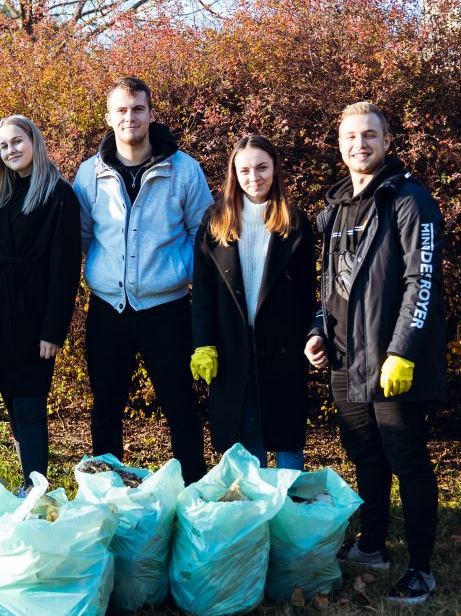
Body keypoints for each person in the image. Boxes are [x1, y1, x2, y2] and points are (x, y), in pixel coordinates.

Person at [304, 102, 446, 604]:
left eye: (369, 135)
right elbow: (329, 286)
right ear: (339, 144)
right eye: (349, 137)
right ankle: (372, 545)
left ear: (387, 141)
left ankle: (422, 568)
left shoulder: (410, 201)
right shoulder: (339, 207)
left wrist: (402, 350)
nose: (358, 144)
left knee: (407, 459)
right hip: (345, 359)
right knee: (365, 452)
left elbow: (421, 280)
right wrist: (318, 331)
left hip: (391, 361)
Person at [72, 76, 212, 484]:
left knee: (180, 406)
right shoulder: (89, 174)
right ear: (108, 117)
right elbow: (81, 237)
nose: (129, 117)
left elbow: (202, 236)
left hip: (166, 309)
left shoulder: (183, 170)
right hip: (107, 309)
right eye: (121, 110)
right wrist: (102, 273)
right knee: (106, 408)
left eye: (137, 109)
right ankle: (107, 493)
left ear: (151, 114)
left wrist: (177, 273)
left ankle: (192, 494)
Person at [0, 115, 81, 483]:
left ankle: (36, 488)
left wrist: (53, 330)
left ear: (34, 141)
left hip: (32, 317)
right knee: (12, 403)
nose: (10, 150)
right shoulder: (6, 193)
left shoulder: (59, 195)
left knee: (29, 406)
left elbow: (66, 269)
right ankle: (30, 481)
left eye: (17, 141)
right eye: (3, 145)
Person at [190, 134, 316, 470]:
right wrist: (204, 344)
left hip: (283, 346)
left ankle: (289, 508)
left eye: (261, 168)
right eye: (244, 170)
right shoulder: (215, 221)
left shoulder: (296, 222)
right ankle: (256, 508)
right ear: (234, 173)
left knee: (287, 431)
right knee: (246, 433)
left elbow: (308, 294)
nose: (254, 177)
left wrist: (311, 338)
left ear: (275, 169)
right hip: (232, 345)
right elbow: (203, 293)